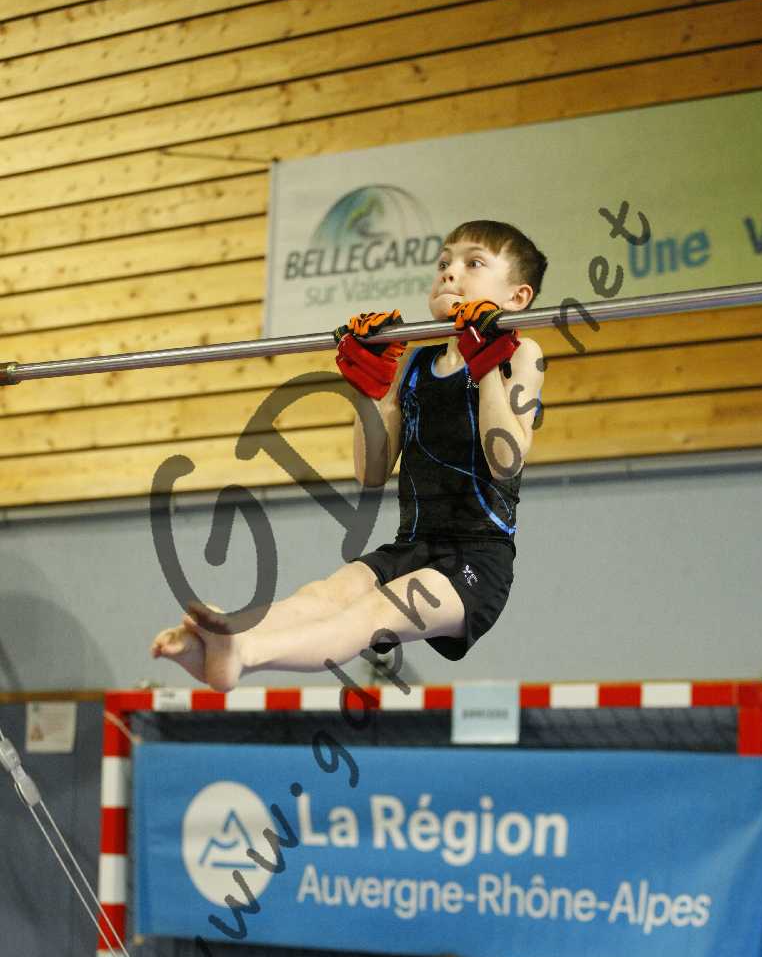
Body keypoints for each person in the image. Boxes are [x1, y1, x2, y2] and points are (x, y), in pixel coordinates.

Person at [151, 220, 547, 688]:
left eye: (473, 262)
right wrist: (371, 387)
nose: (449, 272)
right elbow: (372, 472)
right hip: (411, 545)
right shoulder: (415, 364)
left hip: (476, 559)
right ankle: (222, 640)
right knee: (326, 594)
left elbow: (505, 460)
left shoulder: (521, 354)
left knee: (376, 610)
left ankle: (244, 654)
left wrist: (486, 368)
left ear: (518, 297)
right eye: (443, 262)